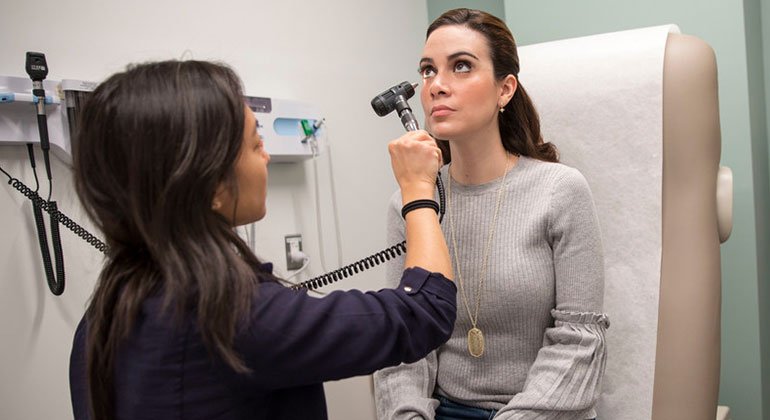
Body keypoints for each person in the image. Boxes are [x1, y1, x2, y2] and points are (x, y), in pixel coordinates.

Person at [68, 60, 456, 420]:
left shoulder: (101, 320)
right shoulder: (231, 317)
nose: (266, 157)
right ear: (211, 186)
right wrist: (418, 190)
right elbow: (425, 310)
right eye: (255, 144)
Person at [373, 8, 608, 420]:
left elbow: (579, 343)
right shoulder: (411, 201)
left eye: (461, 66)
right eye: (428, 71)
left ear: (505, 89)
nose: (437, 86)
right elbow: (405, 342)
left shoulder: (560, 190)